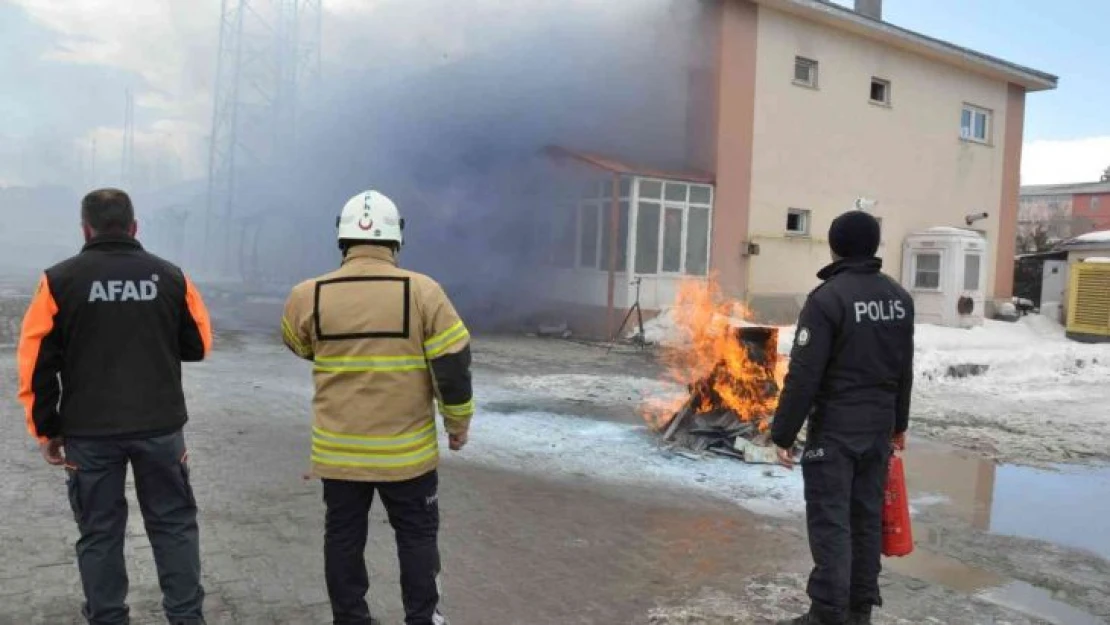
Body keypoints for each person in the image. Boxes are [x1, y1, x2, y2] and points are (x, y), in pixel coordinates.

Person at [17, 188, 212, 625]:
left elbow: (35, 364)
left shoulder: (58, 280)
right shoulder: (171, 276)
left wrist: (46, 430)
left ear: (85, 228)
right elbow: (198, 344)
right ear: (135, 227)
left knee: (100, 532)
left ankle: (107, 617)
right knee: (174, 526)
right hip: (160, 428)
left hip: (90, 434)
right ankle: (185, 617)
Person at [281, 190, 474, 625]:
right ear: (396, 240)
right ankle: (422, 619)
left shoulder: (307, 294)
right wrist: (457, 424)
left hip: (339, 455)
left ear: (342, 239)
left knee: (344, 540)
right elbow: (453, 365)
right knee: (418, 537)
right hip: (407, 457)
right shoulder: (424, 292)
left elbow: (298, 344)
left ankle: (350, 619)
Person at [771, 210, 914, 625]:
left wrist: (783, 433)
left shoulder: (827, 299)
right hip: (876, 432)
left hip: (834, 434)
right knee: (866, 519)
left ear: (834, 246)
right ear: (873, 247)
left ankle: (828, 614)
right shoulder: (898, 298)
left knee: (831, 522)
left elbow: (804, 376)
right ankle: (858, 611)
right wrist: (898, 425)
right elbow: (903, 369)